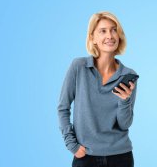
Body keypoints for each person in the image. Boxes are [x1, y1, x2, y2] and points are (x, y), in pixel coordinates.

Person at [57, 11, 137, 167]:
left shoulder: (129, 75)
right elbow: (63, 107)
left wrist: (125, 100)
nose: (110, 35)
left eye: (114, 30)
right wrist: (71, 145)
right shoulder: (78, 67)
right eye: (103, 31)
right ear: (92, 38)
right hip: (86, 157)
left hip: (121, 157)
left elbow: (124, 124)